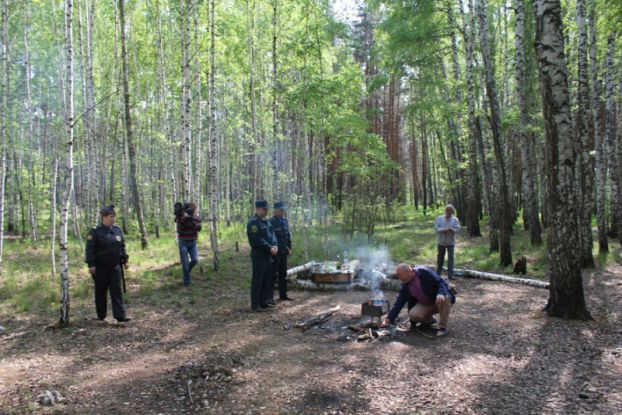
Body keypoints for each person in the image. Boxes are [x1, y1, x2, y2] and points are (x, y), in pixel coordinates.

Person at [85, 205, 131, 323]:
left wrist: (125, 259)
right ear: (104, 217)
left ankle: (120, 316)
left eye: (114, 216)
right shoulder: (95, 231)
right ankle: (101, 316)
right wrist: (91, 265)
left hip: (115, 266)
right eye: (111, 216)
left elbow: (122, 246)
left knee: (116, 290)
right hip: (100, 267)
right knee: (101, 291)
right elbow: (90, 249)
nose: (113, 219)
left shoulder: (117, 230)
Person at [382, 263, 455, 337]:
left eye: (400, 275)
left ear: (408, 271)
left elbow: (440, 282)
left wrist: (440, 293)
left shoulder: (424, 272)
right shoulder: (405, 284)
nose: (399, 278)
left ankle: (443, 327)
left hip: (439, 299)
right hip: (427, 304)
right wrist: (389, 319)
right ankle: (429, 320)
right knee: (413, 314)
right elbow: (399, 302)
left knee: (444, 298)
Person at [247, 200, 278, 312]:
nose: (266, 211)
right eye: (263, 209)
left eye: (266, 209)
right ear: (257, 209)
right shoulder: (253, 223)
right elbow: (256, 240)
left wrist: (275, 245)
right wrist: (270, 247)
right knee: (258, 280)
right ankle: (255, 305)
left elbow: (273, 235)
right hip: (259, 254)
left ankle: (263, 301)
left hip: (268, 254)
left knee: (266, 279)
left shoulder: (266, 222)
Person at [270, 201, 293, 302]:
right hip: (275, 252)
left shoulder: (285, 221)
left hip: (284, 251)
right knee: (273, 275)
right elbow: (271, 238)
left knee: (283, 274)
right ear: (275, 210)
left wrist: (289, 247)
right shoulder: (270, 222)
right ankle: (269, 298)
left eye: (283, 210)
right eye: (280, 210)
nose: (282, 212)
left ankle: (283, 295)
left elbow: (288, 236)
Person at [175, 202, 202, 286]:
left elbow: (199, 228)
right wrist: (183, 219)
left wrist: (191, 221)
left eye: (192, 209)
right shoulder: (181, 218)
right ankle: (187, 281)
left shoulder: (196, 218)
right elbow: (180, 229)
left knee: (195, 260)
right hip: (183, 242)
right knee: (185, 263)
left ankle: (186, 273)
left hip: (192, 242)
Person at [434, 204, 460, 279]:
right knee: (440, 258)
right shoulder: (439, 218)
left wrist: (453, 230)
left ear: (452, 211)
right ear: (445, 211)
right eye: (447, 210)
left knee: (450, 258)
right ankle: (438, 274)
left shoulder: (455, 219)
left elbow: (458, 229)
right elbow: (436, 228)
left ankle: (450, 275)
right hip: (441, 242)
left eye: (450, 211)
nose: (448, 212)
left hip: (450, 242)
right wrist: (444, 230)